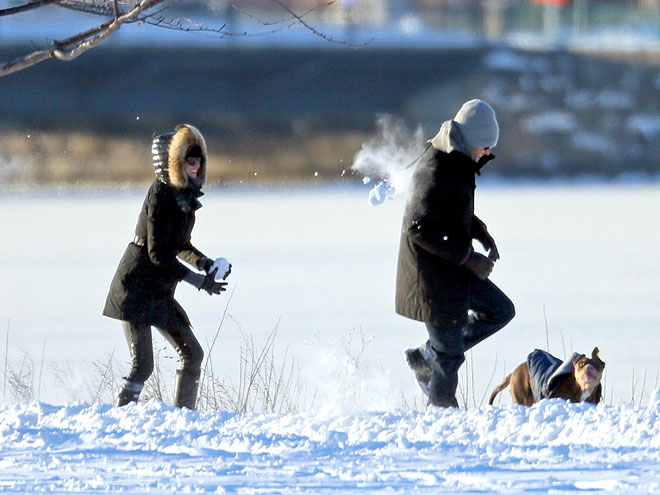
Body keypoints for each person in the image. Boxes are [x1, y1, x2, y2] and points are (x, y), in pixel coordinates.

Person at [395, 99, 515, 407]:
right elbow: (418, 228)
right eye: (486, 145)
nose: (489, 153)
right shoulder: (437, 167)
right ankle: (442, 420)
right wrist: (468, 258)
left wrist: (479, 230)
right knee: (449, 357)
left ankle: (427, 355)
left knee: (500, 310)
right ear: (473, 138)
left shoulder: (458, 160)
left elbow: (448, 210)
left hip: (451, 270)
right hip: (430, 276)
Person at [103, 124, 229, 409]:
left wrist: (205, 264)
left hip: (158, 290)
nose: (197, 165)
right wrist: (198, 281)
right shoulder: (160, 194)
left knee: (192, 354)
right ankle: (119, 417)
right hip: (135, 287)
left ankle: (183, 417)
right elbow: (158, 253)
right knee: (143, 365)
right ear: (173, 163)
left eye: (199, 159)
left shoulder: (184, 198)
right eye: (190, 159)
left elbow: (181, 245)